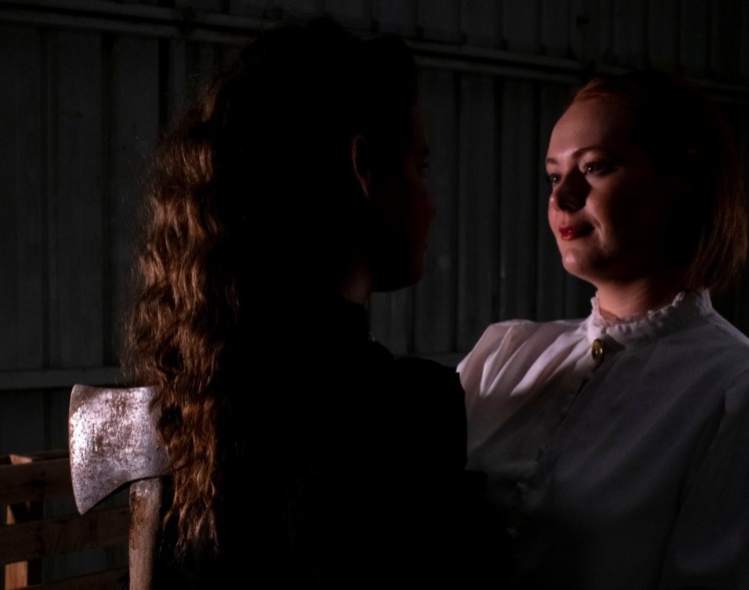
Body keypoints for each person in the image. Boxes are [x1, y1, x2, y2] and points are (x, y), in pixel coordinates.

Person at [126, 17, 507, 589]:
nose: (429, 202)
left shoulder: (192, 404)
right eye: (417, 167)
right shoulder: (409, 409)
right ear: (362, 168)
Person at [458, 70, 749, 589]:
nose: (564, 198)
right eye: (554, 176)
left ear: (682, 181)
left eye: (596, 167)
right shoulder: (504, 354)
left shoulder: (740, 391)